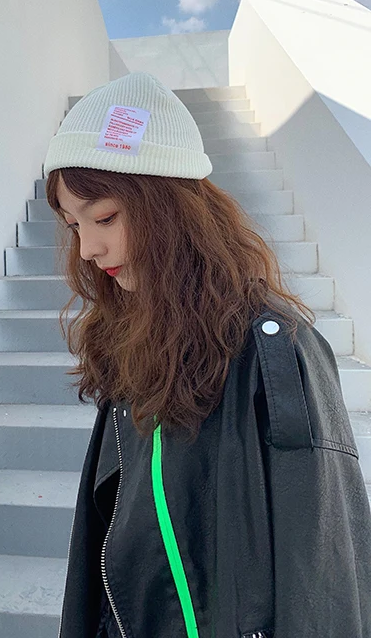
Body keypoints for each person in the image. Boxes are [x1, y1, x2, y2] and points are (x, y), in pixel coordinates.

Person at [42, 71, 371, 638]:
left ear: (170, 208)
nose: (89, 248)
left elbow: (324, 570)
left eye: (105, 217)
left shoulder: (275, 349)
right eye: (74, 226)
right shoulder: (131, 343)